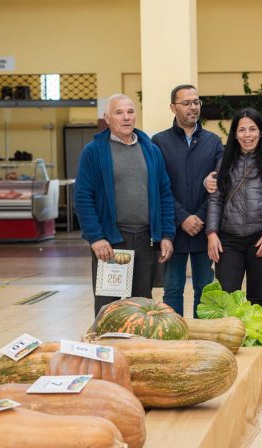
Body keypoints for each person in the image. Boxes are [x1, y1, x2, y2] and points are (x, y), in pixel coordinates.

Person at [75, 93, 175, 315]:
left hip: (146, 240)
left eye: (130, 111)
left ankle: (135, 340)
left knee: (140, 307)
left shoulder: (151, 150)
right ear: (107, 118)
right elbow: (83, 197)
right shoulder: (94, 151)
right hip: (111, 241)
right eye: (119, 112)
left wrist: (167, 234)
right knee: (108, 308)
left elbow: (165, 194)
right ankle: (108, 339)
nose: (126, 117)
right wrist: (96, 238)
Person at [205, 108, 262, 314]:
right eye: (242, 130)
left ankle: (257, 338)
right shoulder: (225, 162)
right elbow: (215, 199)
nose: (247, 135)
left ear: (260, 132)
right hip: (228, 240)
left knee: (259, 301)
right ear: (235, 134)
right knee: (227, 299)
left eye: (252, 129)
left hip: (261, 239)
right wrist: (212, 233)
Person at [153, 84, 223, 317]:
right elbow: (158, 187)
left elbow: (220, 184)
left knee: (205, 289)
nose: (193, 107)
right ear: (173, 107)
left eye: (196, 102)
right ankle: (174, 335)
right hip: (173, 229)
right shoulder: (159, 142)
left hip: (205, 229)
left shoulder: (213, 142)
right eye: (186, 103)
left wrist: (200, 216)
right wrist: (182, 217)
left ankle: (201, 335)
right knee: (172, 289)